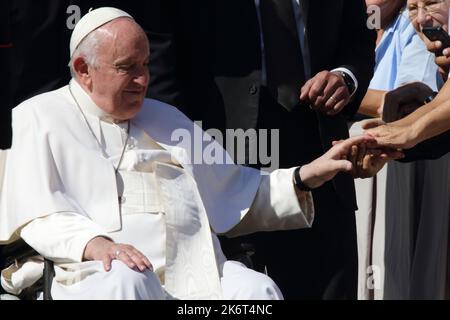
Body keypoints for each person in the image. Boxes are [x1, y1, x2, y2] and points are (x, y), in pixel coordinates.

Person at [0, 7, 389, 300]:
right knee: (126, 281)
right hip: (95, 274)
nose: (143, 80)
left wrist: (307, 173)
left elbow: (239, 193)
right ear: (84, 69)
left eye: (146, 66)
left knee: (255, 291)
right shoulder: (38, 118)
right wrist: (95, 244)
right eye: (127, 68)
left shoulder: (166, 118)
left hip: (190, 277)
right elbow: (38, 214)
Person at [147, 0, 375, 299]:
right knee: (243, 290)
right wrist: (188, 151)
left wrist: (346, 77)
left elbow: (358, 35)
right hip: (222, 153)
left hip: (319, 148)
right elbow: (159, 59)